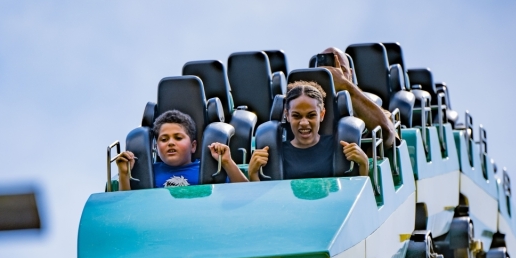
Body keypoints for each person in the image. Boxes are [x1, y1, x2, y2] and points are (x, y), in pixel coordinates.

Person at [248, 81, 369, 181]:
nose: (304, 122)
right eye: (296, 116)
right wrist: (253, 173)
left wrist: (364, 164)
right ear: (287, 115)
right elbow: (265, 200)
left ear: (322, 115)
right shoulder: (275, 153)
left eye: (311, 115)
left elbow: (358, 195)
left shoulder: (339, 147)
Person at [116, 108, 247, 190]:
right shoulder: (146, 173)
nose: (171, 143)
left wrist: (227, 162)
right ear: (156, 147)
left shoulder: (210, 169)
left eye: (178, 138)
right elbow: (128, 208)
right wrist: (124, 174)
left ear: (193, 146)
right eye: (164, 139)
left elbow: (246, 192)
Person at [320, 46, 396, 149]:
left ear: (351, 75)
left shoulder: (372, 106)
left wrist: (344, 84)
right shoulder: (304, 105)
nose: (334, 77)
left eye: (342, 71)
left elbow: (388, 134)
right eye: (328, 73)